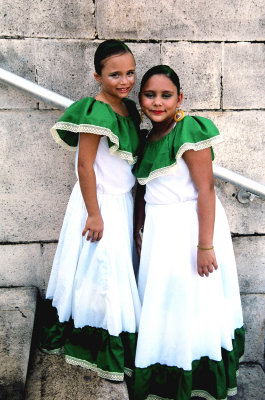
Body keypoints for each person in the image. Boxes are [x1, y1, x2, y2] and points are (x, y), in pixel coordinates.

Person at [132, 65, 244, 400]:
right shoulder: (148, 138)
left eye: (166, 95)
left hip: (192, 231)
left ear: (179, 98)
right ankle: (165, 376)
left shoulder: (190, 130)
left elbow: (206, 190)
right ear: (140, 100)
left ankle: (196, 381)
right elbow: (144, 189)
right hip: (161, 233)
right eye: (150, 95)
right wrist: (140, 228)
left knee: (192, 303)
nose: (158, 102)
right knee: (165, 305)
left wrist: (205, 245)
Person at [41, 39, 141, 382]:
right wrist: (94, 214)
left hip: (121, 202)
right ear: (98, 75)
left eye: (129, 72)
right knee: (103, 272)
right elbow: (84, 167)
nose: (125, 80)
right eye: (115, 74)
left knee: (111, 271)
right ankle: (101, 349)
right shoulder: (95, 110)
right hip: (97, 203)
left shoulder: (129, 109)